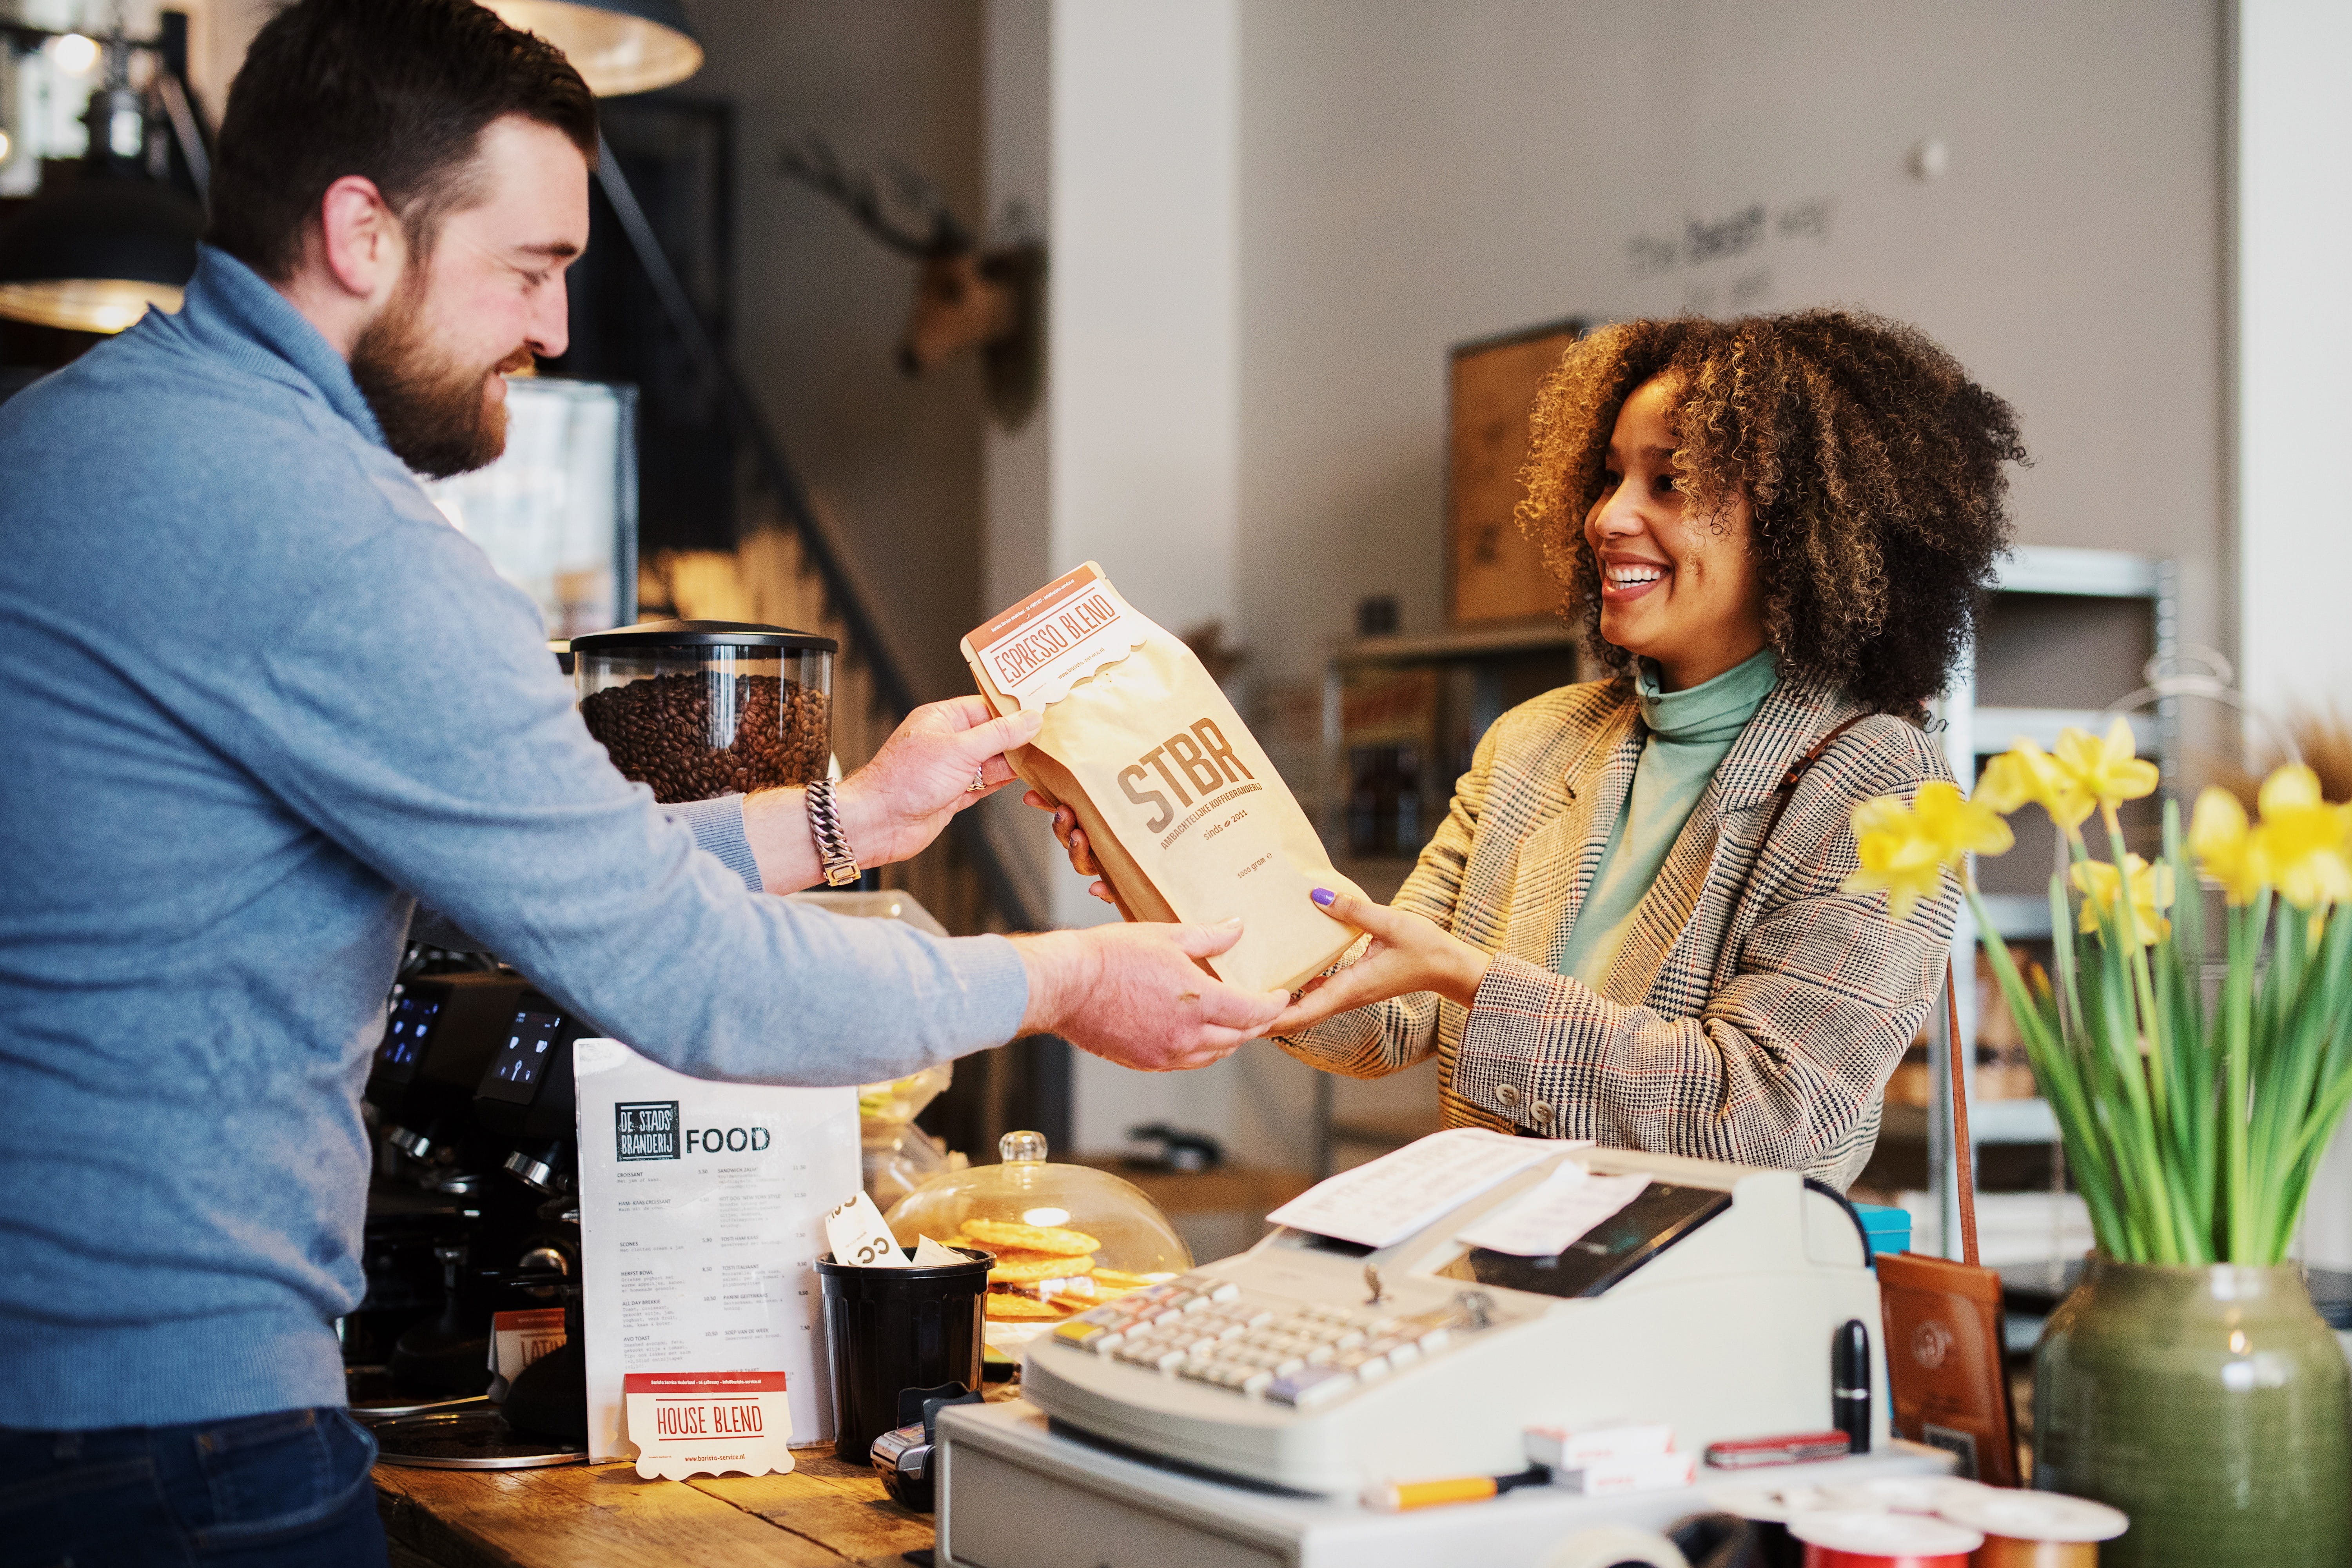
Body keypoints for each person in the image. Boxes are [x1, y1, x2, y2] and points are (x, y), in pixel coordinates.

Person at [0, 3, 1283, 1561]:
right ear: (361, 233)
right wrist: (1065, 977)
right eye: (532, 268)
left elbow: (531, 858)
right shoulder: (335, 540)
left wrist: (848, 819)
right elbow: (690, 979)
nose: (553, 330)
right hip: (165, 1441)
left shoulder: (65, 443)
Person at [1043, 311, 2024, 1188]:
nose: (1608, 517)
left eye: (1668, 481)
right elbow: (1386, 1013)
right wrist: (1169, 868)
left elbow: (1769, 1112)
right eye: (1609, 476)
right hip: (1495, 1295)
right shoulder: (1536, 740)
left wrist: (1473, 980)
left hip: (1699, 1331)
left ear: (1798, 527)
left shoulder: (1881, 782)